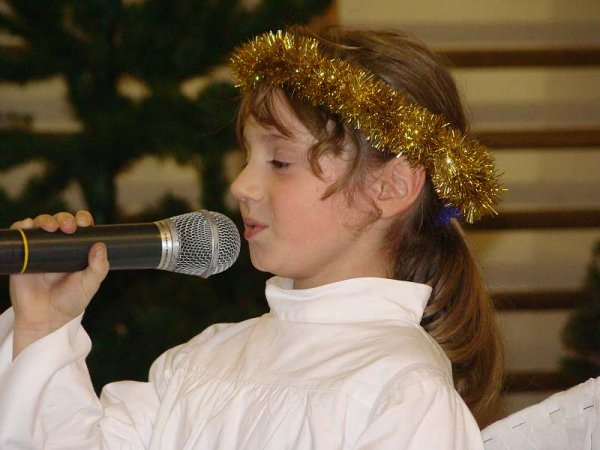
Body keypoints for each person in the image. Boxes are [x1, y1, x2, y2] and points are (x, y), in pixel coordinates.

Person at [0, 26, 504, 448]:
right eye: (247, 157)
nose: (241, 185)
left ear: (389, 187)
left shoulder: (402, 392)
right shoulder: (202, 361)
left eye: (280, 162)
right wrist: (44, 327)